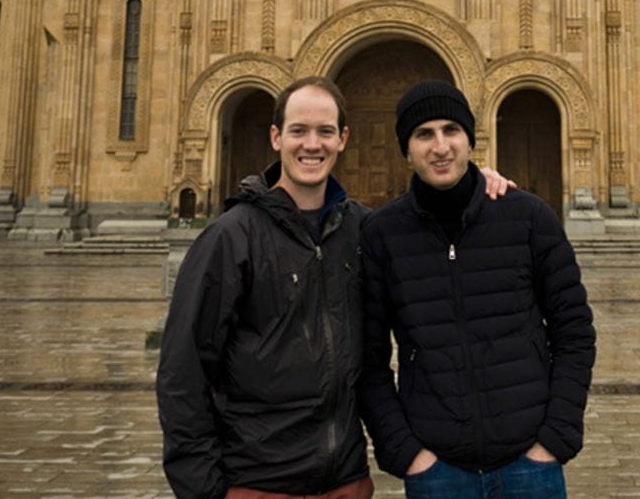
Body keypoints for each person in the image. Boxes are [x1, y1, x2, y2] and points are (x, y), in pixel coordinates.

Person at [157, 76, 514, 499]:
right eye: (299, 131)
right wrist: (204, 490)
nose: (313, 144)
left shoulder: (364, 229)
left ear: (343, 138)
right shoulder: (231, 239)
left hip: (345, 479)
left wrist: (475, 185)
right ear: (276, 137)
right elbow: (183, 372)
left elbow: (436, 260)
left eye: (325, 131)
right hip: (258, 482)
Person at [359, 80, 596, 499]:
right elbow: (367, 356)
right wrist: (405, 451)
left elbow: (574, 331)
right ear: (406, 149)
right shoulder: (382, 234)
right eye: (423, 134)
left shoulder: (528, 218)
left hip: (530, 465)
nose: (440, 146)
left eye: (452, 130)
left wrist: (554, 437)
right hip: (437, 470)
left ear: (471, 139)